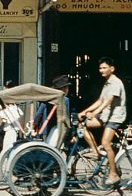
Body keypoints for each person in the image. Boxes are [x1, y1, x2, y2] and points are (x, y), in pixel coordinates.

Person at [78, 57, 126, 186]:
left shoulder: (116, 82)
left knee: (105, 142)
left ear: (112, 68)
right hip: (105, 116)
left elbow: (108, 101)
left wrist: (94, 113)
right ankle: (95, 152)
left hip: (115, 117)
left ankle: (113, 174)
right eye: (100, 68)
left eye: (104, 68)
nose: (101, 70)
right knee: (84, 125)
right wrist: (84, 112)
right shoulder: (107, 82)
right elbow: (100, 100)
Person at [32, 75, 71, 145]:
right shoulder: (65, 100)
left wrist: (34, 125)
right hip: (58, 130)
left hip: (45, 130)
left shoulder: (47, 98)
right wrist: (70, 134)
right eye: (67, 87)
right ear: (64, 88)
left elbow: (38, 114)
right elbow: (66, 119)